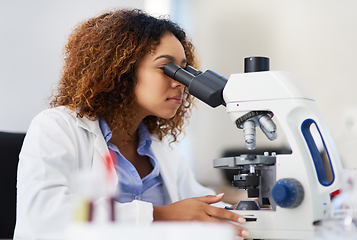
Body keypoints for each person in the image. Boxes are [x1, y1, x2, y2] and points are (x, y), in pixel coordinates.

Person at [14, 9, 248, 239]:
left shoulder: (161, 150)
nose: (181, 83)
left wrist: (251, 214)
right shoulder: (57, 127)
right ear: (122, 71)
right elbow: (45, 215)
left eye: (184, 71)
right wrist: (160, 215)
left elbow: (202, 209)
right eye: (167, 68)